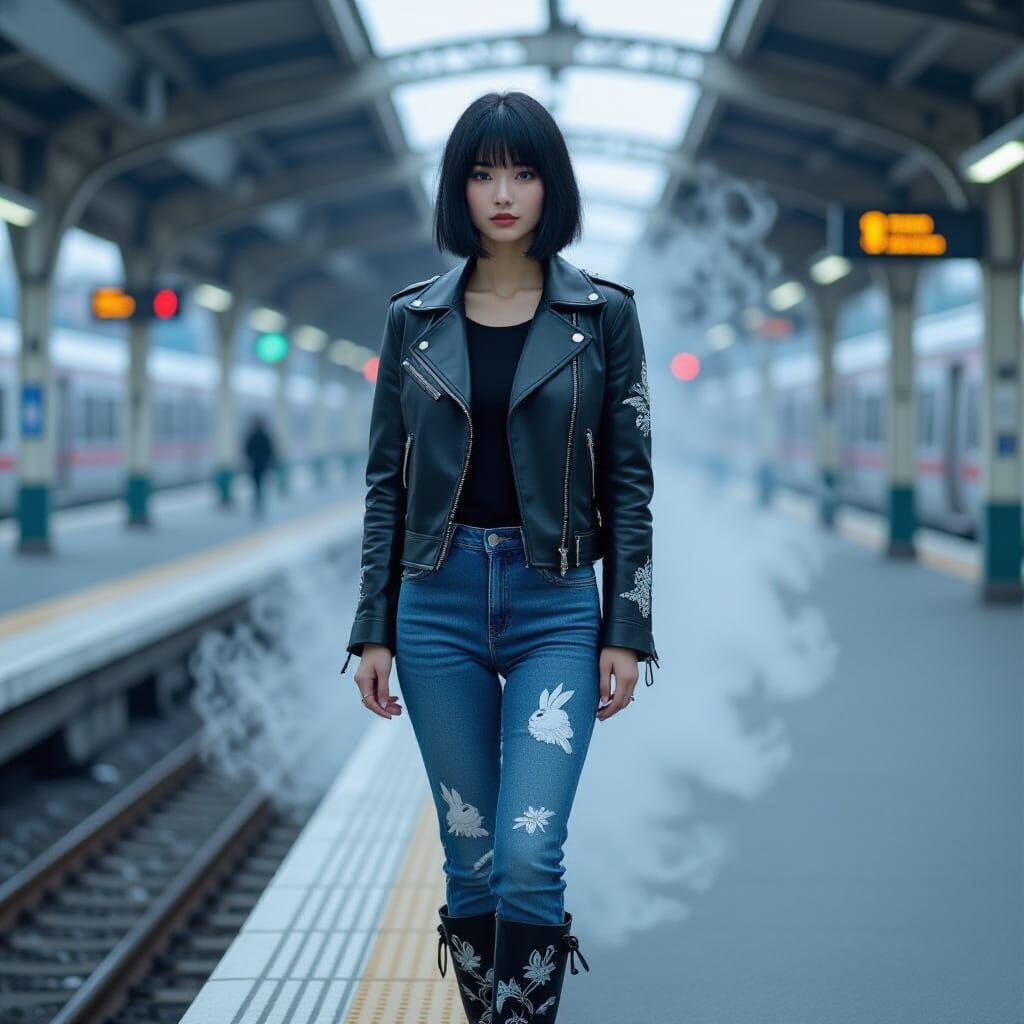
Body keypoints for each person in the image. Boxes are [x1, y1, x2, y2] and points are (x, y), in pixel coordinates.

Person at [340, 91, 658, 1024]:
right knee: (471, 855)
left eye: (523, 172)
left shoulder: (602, 317)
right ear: (459, 189)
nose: (505, 193)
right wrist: (372, 628)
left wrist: (627, 627)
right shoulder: (413, 320)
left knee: (528, 853)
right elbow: (386, 485)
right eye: (483, 174)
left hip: (554, 602)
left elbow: (629, 484)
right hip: (434, 606)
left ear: (552, 185)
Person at [242, 415, 275, 518]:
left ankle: (257, 504)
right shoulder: (265, 436)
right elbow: (270, 451)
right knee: (260, 485)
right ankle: (260, 504)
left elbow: (246, 450)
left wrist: (249, 460)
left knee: (256, 485)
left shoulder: (251, 436)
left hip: (254, 465)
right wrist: (269, 463)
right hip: (263, 465)